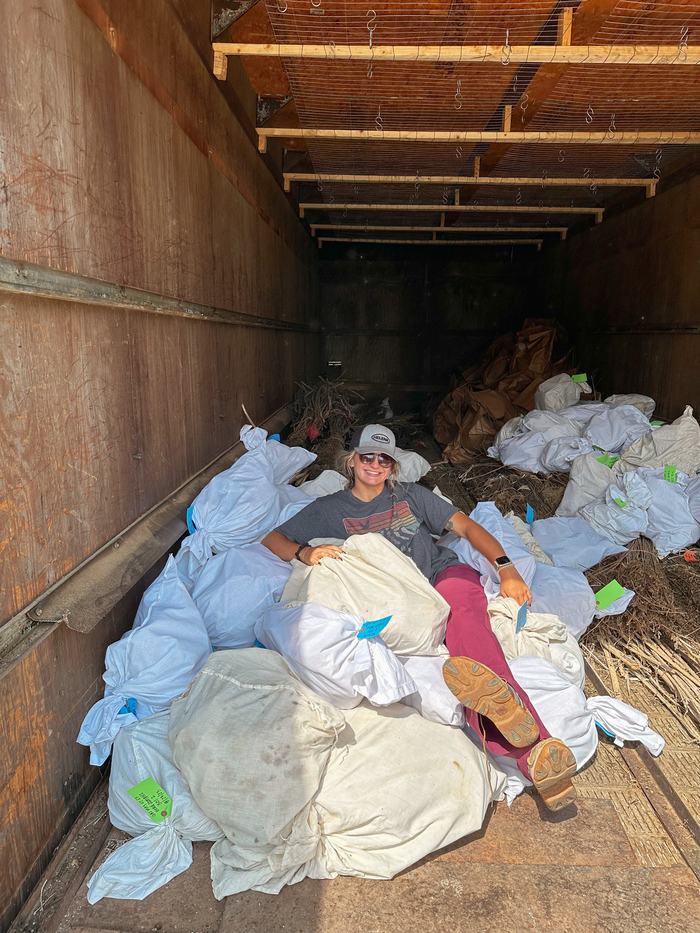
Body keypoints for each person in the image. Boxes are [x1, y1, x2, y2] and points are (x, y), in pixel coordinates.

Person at [262, 424, 577, 811]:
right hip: (400, 600)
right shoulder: (329, 510)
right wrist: (304, 554)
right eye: (367, 456)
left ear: (393, 466)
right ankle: (538, 757)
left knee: (472, 636)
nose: (375, 464)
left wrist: (506, 569)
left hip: (443, 577)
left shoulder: (413, 496)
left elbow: (467, 527)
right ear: (351, 461)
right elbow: (273, 539)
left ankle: (532, 745)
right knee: (466, 658)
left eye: (384, 459)